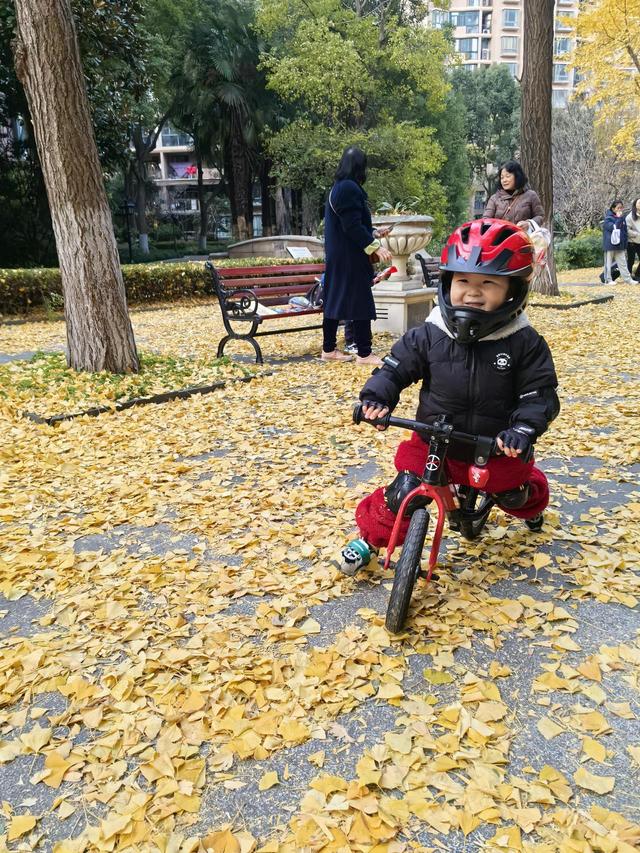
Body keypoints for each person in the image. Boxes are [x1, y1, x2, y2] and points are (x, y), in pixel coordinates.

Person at [338, 218, 560, 575]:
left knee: (514, 492)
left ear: (514, 291)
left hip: (495, 447)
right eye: (463, 281)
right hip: (433, 442)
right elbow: (395, 368)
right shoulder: (430, 333)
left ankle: (531, 501)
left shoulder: (524, 342)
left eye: (488, 282)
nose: (473, 291)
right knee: (403, 491)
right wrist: (377, 398)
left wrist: (523, 429)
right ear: (446, 283)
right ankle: (370, 538)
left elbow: (540, 394)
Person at [321, 146, 392, 365]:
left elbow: (349, 225)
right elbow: (351, 227)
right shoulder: (349, 188)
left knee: (335, 299)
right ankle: (364, 353)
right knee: (361, 301)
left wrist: (373, 233)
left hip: (339, 256)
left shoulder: (339, 187)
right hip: (350, 258)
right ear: (360, 166)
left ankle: (328, 349)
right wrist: (374, 247)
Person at [484, 160, 544, 229]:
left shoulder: (531, 195)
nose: (504, 180)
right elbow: (486, 220)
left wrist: (529, 224)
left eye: (507, 176)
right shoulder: (494, 198)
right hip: (500, 238)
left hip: (523, 237)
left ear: (517, 176)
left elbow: (540, 216)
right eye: (502, 177)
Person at [603, 200, 633, 284]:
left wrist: (625, 243)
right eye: (618, 208)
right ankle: (608, 280)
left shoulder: (622, 218)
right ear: (613, 209)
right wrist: (619, 218)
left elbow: (624, 231)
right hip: (610, 245)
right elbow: (614, 228)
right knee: (608, 264)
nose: (620, 209)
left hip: (620, 245)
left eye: (621, 208)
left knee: (623, 263)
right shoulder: (608, 218)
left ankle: (628, 279)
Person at [626, 198, 640, 282]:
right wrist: (637, 234)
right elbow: (626, 230)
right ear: (635, 205)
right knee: (631, 260)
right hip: (631, 242)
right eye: (639, 203)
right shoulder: (630, 216)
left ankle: (638, 274)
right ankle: (629, 276)